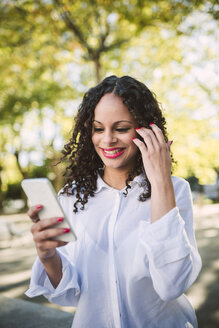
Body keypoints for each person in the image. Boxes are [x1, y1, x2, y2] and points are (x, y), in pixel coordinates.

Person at [26, 75, 202, 328]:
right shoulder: (72, 196)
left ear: (147, 130)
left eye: (121, 128)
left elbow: (172, 285)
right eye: (98, 129)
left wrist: (160, 180)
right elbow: (69, 295)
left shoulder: (175, 190)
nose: (107, 140)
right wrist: (47, 255)